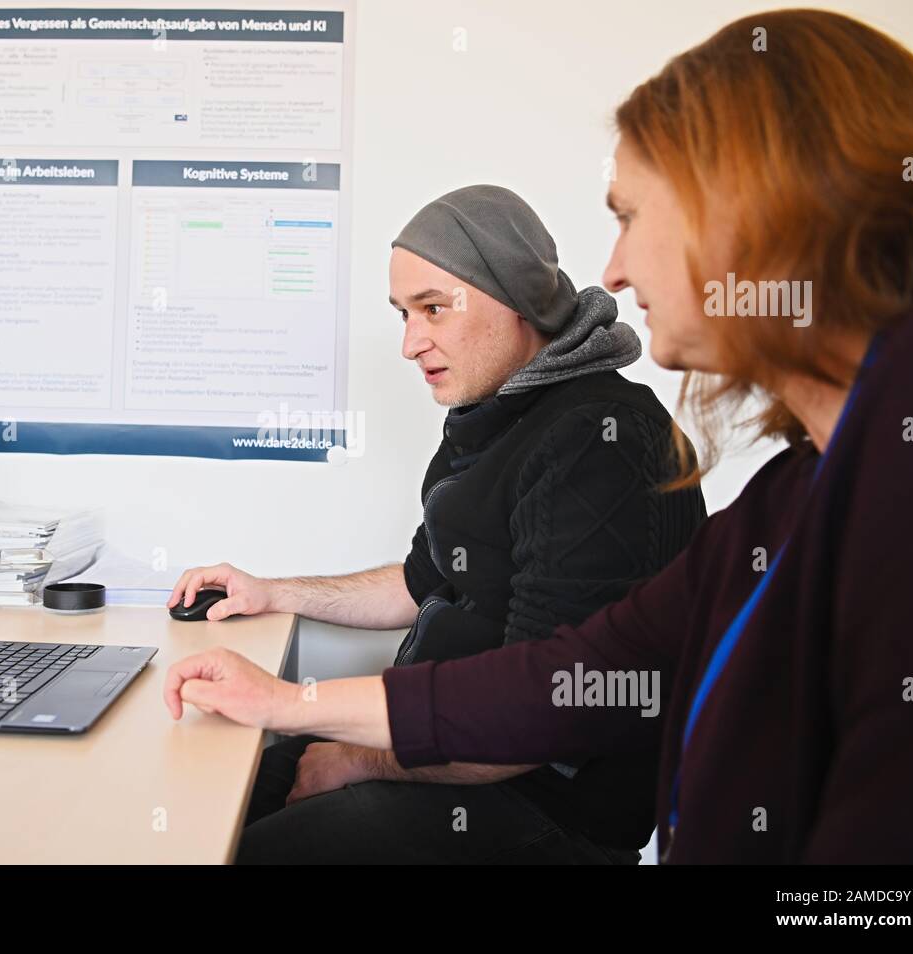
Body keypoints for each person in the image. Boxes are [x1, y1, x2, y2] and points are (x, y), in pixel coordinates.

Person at [163, 9, 913, 864]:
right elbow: (560, 681)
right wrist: (288, 698)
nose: (611, 270)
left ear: (759, 211)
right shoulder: (790, 501)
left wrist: (337, 738)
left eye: (630, 215)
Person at [168, 186, 705, 863]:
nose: (410, 342)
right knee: (206, 806)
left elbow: (542, 717)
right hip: (443, 755)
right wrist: (276, 592)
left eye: (433, 308)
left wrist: (355, 756)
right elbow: (424, 581)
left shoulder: (602, 442)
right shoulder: (494, 412)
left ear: (520, 301)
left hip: (542, 811)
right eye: (402, 314)